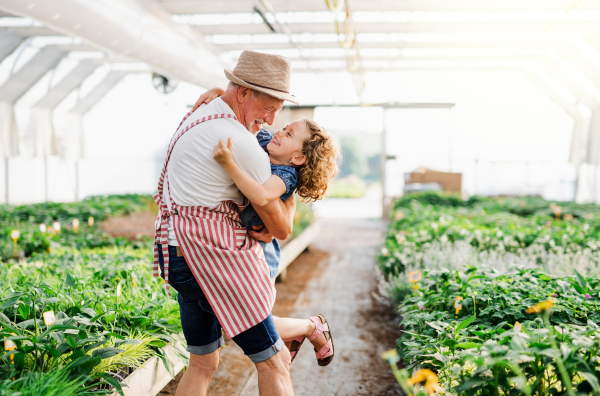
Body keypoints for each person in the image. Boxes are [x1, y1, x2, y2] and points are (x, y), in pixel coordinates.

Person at [153, 50, 312, 396]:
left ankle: (306, 328)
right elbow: (281, 229)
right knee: (274, 360)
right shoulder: (242, 144)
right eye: (267, 108)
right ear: (243, 93)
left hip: (177, 255)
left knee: (202, 363)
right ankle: (309, 328)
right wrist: (290, 195)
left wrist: (215, 90)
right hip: (213, 260)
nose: (270, 120)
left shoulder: (200, 114)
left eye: (277, 111)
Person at [196, 88, 339, 364]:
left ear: (298, 158)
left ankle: (311, 327)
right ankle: (296, 337)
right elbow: (241, 116)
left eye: (287, 134)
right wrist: (218, 93)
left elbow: (261, 195)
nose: (278, 131)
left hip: (263, 253)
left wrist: (228, 163)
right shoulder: (266, 142)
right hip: (244, 245)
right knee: (244, 321)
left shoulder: (285, 173)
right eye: (284, 127)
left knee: (249, 322)